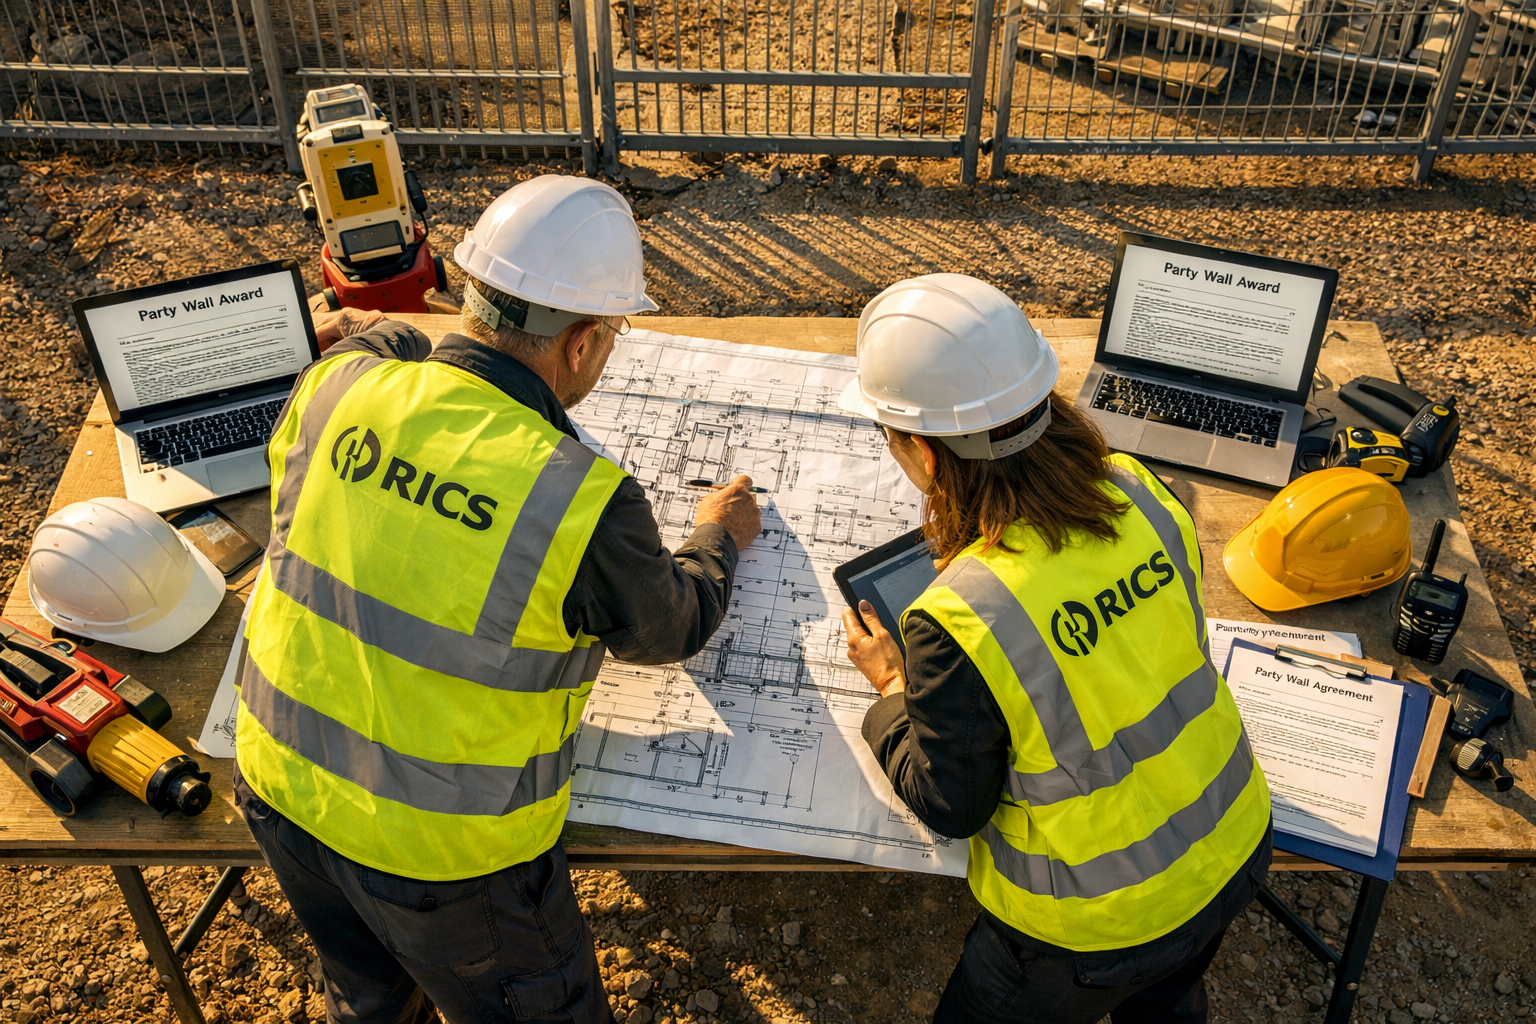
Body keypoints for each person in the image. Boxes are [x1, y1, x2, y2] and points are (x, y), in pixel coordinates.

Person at [233, 175, 762, 1024]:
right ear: (582, 344)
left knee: (368, 995)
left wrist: (391, 331)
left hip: (279, 790)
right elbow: (672, 626)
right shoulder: (579, 501)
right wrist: (716, 537)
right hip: (447, 860)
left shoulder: (335, 388)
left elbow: (372, 347)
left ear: (471, 292)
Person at [836, 274, 1273, 1024]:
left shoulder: (959, 620)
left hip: (1093, 928)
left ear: (929, 458)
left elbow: (951, 804)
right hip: (1234, 847)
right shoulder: (1139, 491)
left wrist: (889, 691)